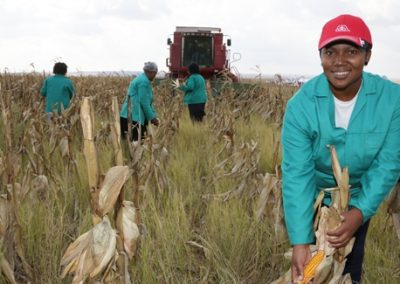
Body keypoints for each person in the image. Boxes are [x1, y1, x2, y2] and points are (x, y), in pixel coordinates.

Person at [281, 14, 400, 283]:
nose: (340, 61)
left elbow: (388, 164)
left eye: (352, 51)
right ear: (320, 56)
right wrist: (300, 239)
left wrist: (359, 213)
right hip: (312, 198)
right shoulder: (301, 106)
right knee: (308, 269)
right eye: (330, 52)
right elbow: (297, 173)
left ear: (367, 55)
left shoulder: (392, 101)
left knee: (349, 263)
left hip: (360, 197)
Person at [120, 62, 159, 141]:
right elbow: (144, 102)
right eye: (155, 73)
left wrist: (153, 115)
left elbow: (148, 101)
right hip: (134, 118)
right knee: (137, 144)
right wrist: (152, 118)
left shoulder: (142, 78)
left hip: (127, 115)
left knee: (128, 144)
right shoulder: (144, 82)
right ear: (150, 72)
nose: (155, 76)